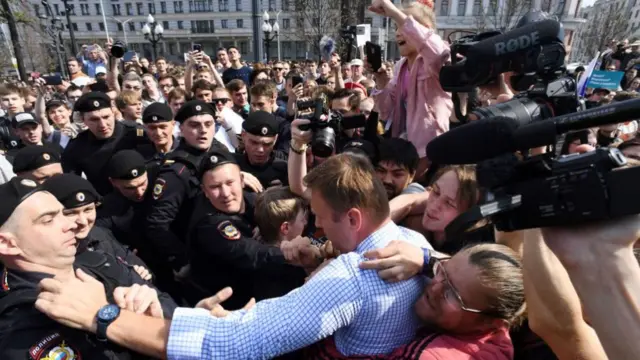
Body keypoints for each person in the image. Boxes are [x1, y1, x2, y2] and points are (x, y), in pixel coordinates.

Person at [33, 153, 431, 359]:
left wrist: (103, 317)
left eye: (324, 220)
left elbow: (235, 346)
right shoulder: (415, 245)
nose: (320, 230)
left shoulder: (351, 278)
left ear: (355, 217)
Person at [0, 177, 176, 359]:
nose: (71, 224)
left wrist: (147, 316)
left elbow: (174, 316)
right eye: (48, 220)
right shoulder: (19, 326)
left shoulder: (98, 262)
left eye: (63, 214)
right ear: (6, 244)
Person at [310, 242, 524, 359]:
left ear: (491, 322)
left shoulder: (431, 356)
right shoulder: (493, 319)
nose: (434, 286)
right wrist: (424, 259)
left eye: (452, 294)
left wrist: (320, 284)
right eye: (442, 271)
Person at [187, 150, 308, 309]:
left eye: (230, 183)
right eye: (215, 187)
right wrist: (295, 254)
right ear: (205, 191)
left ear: (242, 180)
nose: (225, 193)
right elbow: (252, 253)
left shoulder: (250, 199)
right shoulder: (209, 224)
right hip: (227, 308)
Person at [143, 100, 227, 293]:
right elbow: (157, 224)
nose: (203, 131)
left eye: (208, 124)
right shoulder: (176, 170)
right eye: (194, 125)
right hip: (201, 257)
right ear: (181, 128)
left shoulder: (217, 148)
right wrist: (183, 261)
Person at [369, 0, 452, 176]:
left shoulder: (435, 58)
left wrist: (393, 11)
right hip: (405, 150)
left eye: (404, 24)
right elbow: (385, 111)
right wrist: (381, 82)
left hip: (431, 150)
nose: (399, 32)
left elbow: (438, 54)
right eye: (396, 27)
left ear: (425, 29)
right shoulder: (401, 67)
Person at [42, 173, 150, 274]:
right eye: (71, 213)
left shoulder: (100, 235)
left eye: (88, 209)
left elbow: (138, 267)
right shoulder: (45, 255)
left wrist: (140, 274)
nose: (83, 221)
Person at [61, 92, 148, 195]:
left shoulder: (135, 133)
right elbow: (73, 186)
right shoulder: (76, 147)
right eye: (94, 119)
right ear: (83, 120)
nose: (102, 125)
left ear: (113, 113)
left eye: (106, 117)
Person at [97, 150, 150, 253]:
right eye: (130, 188)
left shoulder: (161, 183)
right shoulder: (106, 212)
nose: (139, 192)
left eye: (142, 183)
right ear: (113, 182)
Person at [235, 110, 289, 189]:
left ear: (275, 139)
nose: (260, 149)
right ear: (243, 136)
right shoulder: (231, 164)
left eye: (267, 144)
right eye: (254, 142)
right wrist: (234, 178)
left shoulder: (285, 170)